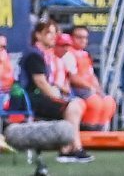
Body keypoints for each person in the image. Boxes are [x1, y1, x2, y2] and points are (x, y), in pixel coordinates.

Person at [19, 20, 93, 163]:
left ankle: (68, 150)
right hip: (29, 99)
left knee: (74, 104)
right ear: (38, 35)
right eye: (49, 33)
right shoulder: (34, 55)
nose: (53, 36)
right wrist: (59, 97)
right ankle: (73, 149)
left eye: (54, 33)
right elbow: (41, 83)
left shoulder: (42, 55)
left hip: (37, 97)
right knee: (72, 106)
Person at [58, 27, 116, 129]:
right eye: (79, 37)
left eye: (85, 38)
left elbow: (91, 75)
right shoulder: (67, 54)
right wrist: (90, 87)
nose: (83, 40)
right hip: (76, 90)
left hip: (89, 89)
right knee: (95, 103)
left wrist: (97, 89)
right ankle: (87, 130)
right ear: (71, 38)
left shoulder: (85, 54)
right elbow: (72, 78)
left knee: (109, 102)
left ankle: (100, 132)